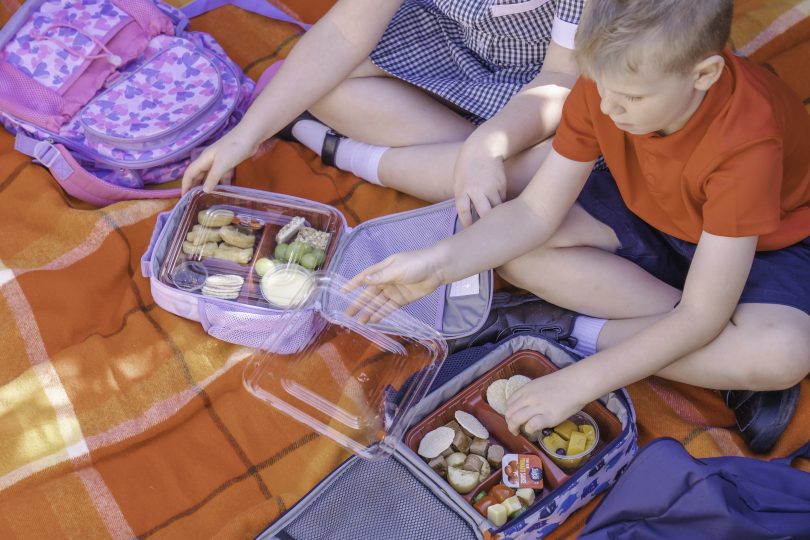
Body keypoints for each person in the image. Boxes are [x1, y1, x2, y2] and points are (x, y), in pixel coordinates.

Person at [345, 0, 810, 453]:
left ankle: (574, 327)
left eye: (632, 97)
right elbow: (533, 213)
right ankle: (713, 365)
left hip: (765, 248)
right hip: (648, 210)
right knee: (511, 246)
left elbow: (702, 315)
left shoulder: (746, 143)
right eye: (601, 88)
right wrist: (436, 263)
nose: (609, 108)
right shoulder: (609, 83)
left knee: (782, 354)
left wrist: (579, 380)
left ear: (703, 74)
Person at [182, 0, 587, 226]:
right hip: (449, 40)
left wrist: (490, 143)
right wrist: (245, 135)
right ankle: (460, 166)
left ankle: (355, 156)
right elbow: (345, 31)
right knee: (328, 89)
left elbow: (558, 79)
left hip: (540, 84)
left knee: (547, 171)